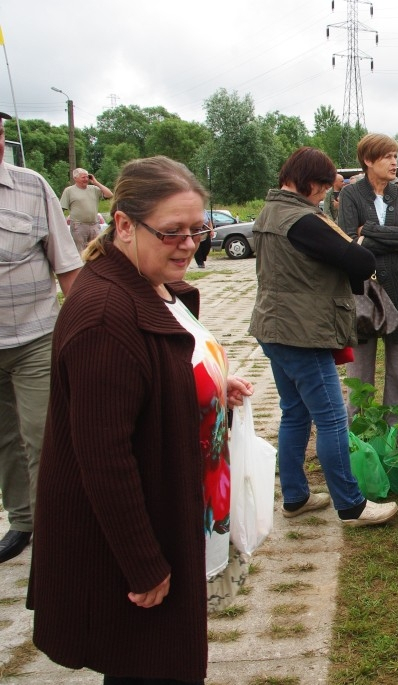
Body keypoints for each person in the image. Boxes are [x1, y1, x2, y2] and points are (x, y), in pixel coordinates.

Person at [27, 155, 254, 683]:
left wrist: (214, 389)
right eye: (172, 231)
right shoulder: (106, 315)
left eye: (197, 230)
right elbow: (104, 458)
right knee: (149, 665)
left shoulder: (149, 281)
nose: (189, 244)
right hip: (137, 536)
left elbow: (168, 366)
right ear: (124, 224)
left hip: (172, 507)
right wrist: (143, 563)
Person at [249, 147, 398, 528]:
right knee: (332, 418)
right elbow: (361, 263)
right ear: (309, 182)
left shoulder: (269, 211)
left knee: (294, 413)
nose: (323, 195)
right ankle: (351, 506)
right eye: (321, 187)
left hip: (274, 327)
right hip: (303, 332)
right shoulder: (302, 219)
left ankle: (296, 498)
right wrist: (357, 244)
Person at [0, 111, 82, 565]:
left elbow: (67, 266)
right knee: (4, 438)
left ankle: (56, 528)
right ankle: (23, 521)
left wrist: (88, 328)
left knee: (42, 432)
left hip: (33, 335)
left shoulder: (32, 187)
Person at [339, 133, 398, 416]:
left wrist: (369, 231)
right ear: (368, 160)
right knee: (359, 383)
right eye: (387, 156)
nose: (394, 162)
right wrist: (390, 240)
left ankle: (397, 445)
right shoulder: (351, 195)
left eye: (395, 156)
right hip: (363, 296)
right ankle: (358, 448)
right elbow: (349, 242)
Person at [60, 167, 113, 253]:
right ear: (75, 178)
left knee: (96, 250)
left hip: (94, 225)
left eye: (87, 177)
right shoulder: (69, 191)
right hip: (78, 226)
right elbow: (61, 209)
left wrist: (96, 182)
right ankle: (82, 266)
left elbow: (109, 195)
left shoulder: (94, 189)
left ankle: (95, 266)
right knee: (81, 251)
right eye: (83, 177)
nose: (86, 179)